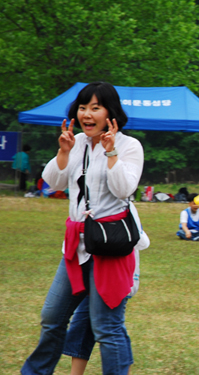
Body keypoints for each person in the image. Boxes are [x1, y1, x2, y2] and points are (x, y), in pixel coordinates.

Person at [21, 81, 144, 375]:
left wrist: (111, 153)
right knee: (52, 317)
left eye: (95, 108)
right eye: (82, 107)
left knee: (106, 326)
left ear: (110, 112)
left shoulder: (129, 146)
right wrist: (64, 152)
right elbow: (54, 182)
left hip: (110, 246)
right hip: (76, 247)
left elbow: (124, 189)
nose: (87, 114)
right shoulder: (76, 142)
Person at [63, 217, 150, 375]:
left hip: (114, 278)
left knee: (111, 328)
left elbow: (142, 241)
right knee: (82, 325)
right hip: (91, 273)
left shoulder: (124, 213)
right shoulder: (87, 210)